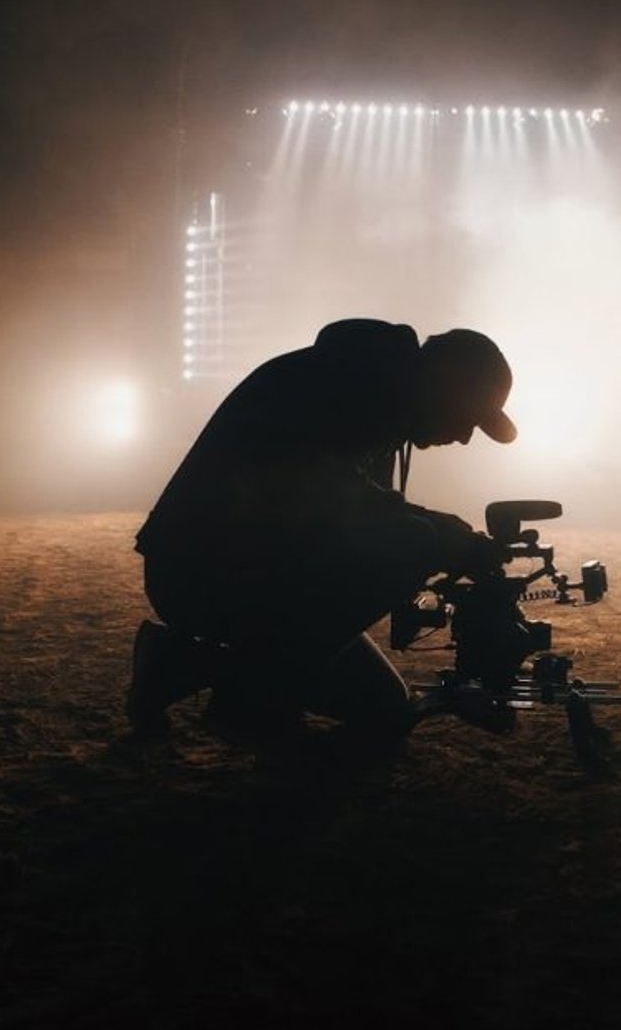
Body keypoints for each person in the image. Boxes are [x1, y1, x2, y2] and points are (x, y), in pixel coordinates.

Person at [127, 318, 518, 748]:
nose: (464, 437)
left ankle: (173, 663)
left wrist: (440, 531)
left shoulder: (369, 389)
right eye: (469, 417)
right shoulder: (347, 389)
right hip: (201, 573)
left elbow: (343, 512)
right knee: (414, 541)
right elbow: (324, 498)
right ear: (447, 385)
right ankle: (244, 704)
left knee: (384, 709)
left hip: (228, 568)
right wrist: (442, 535)